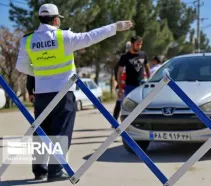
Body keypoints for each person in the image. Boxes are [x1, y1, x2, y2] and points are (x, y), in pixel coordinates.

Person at [15, 3, 132, 182]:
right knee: (61, 131)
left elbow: (20, 66)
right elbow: (91, 36)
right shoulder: (64, 37)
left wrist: (41, 72)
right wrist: (114, 27)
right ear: (56, 20)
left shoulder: (27, 40)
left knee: (41, 131)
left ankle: (39, 170)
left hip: (41, 94)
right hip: (63, 93)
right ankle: (55, 171)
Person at [113, 41, 131, 121]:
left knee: (123, 104)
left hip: (129, 86)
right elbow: (117, 73)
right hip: (122, 86)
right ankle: (114, 121)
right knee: (120, 103)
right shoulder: (123, 59)